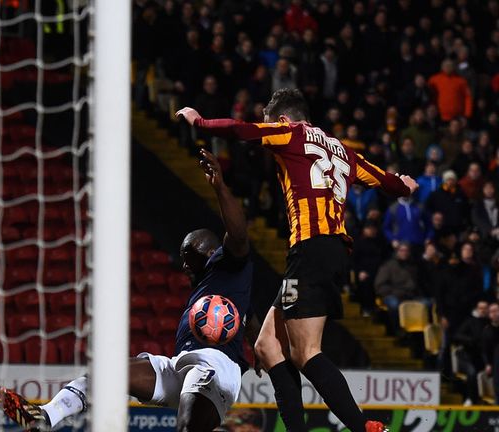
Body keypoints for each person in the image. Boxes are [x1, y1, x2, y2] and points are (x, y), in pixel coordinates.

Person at [176, 88, 417, 432]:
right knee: (267, 346)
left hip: (312, 250)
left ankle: (363, 427)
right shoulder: (344, 151)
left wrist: (199, 122)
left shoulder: (292, 133)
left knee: (306, 352)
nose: (269, 128)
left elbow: (242, 130)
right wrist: (405, 187)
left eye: (270, 122)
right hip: (318, 254)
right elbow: (385, 180)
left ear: (284, 119)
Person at [0, 149, 259, 432]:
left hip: (214, 365)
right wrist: (259, 344)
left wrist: (220, 187)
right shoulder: (223, 290)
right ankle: (45, 417)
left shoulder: (227, 266)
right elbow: (250, 319)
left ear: (210, 253)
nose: (184, 265)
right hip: (179, 366)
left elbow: (239, 236)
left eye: (190, 257)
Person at [452, 301, 489, 405]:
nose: (483, 310)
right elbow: (457, 336)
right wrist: (471, 340)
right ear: (477, 309)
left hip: (481, 357)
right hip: (466, 357)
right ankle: (470, 398)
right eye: (480, 308)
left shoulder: (489, 323)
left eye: (485, 308)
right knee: (472, 373)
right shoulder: (470, 321)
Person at [482, 302, 499, 405]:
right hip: (496, 363)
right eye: (492, 311)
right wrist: (487, 363)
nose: (495, 313)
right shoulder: (487, 331)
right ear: (489, 315)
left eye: (496, 310)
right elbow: (485, 350)